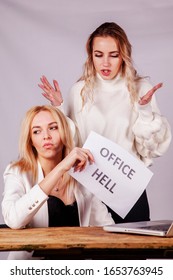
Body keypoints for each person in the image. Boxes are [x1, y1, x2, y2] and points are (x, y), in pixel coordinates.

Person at [38, 22, 172, 224]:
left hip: (128, 190)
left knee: (131, 253)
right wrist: (59, 108)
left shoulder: (140, 88)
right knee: (88, 253)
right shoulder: (80, 90)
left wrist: (144, 111)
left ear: (123, 55)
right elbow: (70, 143)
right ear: (91, 55)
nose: (105, 63)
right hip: (88, 188)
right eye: (99, 55)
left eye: (114, 55)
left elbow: (151, 149)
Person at [1, 105, 114, 259]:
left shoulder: (82, 171)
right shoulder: (17, 172)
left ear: (64, 132)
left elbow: (106, 225)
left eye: (53, 128)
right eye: (37, 131)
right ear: (31, 141)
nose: (46, 136)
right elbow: (13, 219)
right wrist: (60, 168)